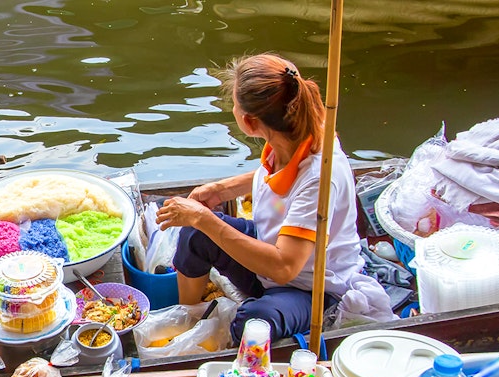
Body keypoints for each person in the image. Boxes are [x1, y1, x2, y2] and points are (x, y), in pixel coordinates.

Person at [155, 53, 393, 344]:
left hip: (311, 287)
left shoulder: (320, 174)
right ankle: (188, 319)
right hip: (269, 246)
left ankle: (222, 341)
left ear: (249, 122)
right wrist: (224, 189)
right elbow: (278, 178)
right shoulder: (295, 135)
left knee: (253, 324)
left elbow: (284, 268)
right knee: (194, 234)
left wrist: (204, 217)